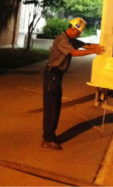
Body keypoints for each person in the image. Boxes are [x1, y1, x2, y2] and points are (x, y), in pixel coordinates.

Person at [42, 17, 105, 150]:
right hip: (52, 75)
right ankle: (47, 139)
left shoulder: (71, 39)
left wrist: (101, 47)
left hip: (57, 76)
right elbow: (75, 53)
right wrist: (94, 51)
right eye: (78, 32)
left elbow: (85, 45)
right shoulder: (62, 39)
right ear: (73, 29)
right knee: (51, 108)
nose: (79, 35)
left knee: (56, 107)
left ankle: (51, 136)